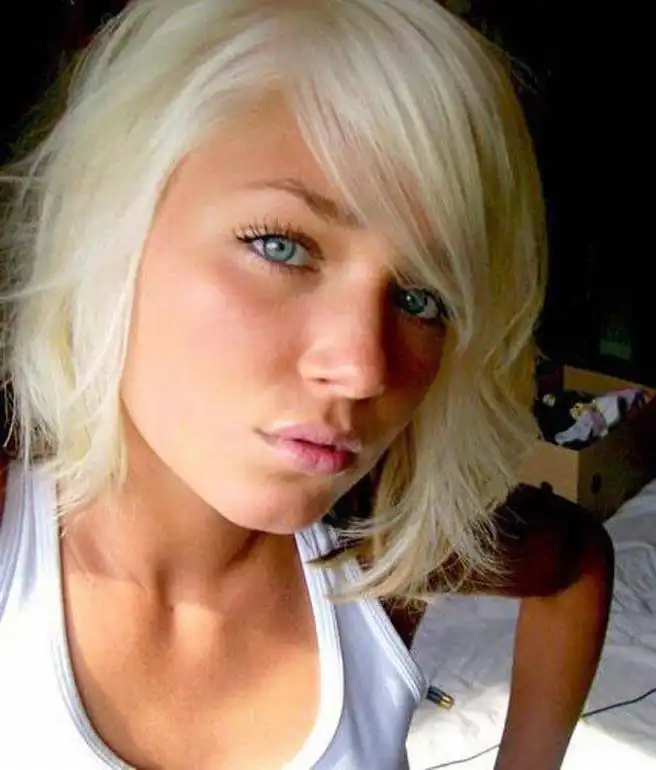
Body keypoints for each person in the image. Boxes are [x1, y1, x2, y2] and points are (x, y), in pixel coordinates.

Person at [0, 1, 612, 769]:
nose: (363, 367)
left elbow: (573, 563)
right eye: (281, 246)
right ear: (111, 220)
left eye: (423, 299)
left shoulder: (369, 557)